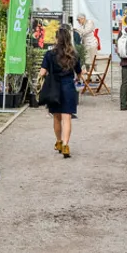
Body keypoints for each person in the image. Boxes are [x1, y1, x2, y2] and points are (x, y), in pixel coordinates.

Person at [38, 26, 81, 158]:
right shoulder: (73, 54)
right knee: (67, 117)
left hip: (54, 87)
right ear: (68, 39)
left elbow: (42, 72)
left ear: (57, 39)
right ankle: (66, 145)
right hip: (68, 86)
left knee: (56, 117)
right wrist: (75, 80)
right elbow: (79, 73)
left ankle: (58, 141)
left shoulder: (50, 54)